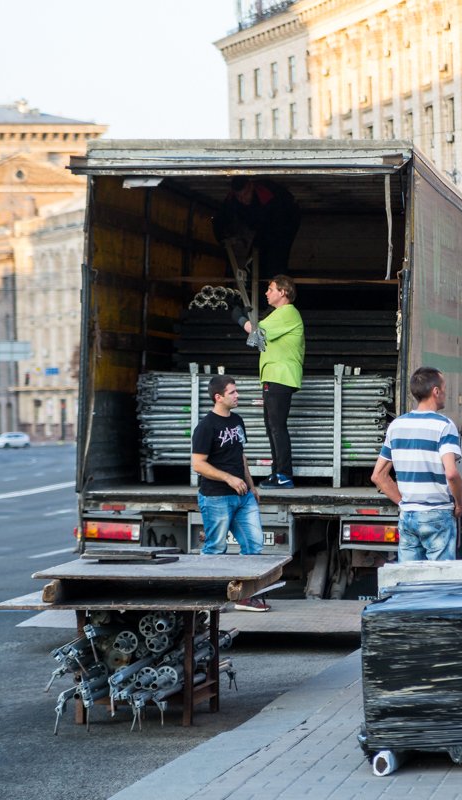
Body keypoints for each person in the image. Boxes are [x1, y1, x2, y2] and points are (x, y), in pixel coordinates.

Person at [191, 374, 269, 612]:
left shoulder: (236, 420)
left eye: (236, 391)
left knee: (254, 545)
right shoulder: (205, 427)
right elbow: (198, 464)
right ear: (218, 397)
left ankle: (245, 598)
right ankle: (206, 601)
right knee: (216, 548)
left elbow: (240, 455)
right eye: (233, 392)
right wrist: (228, 478)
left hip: (243, 496)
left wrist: (251, 485)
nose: (237, 396)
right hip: (216, 497)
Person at [371, 367, 462, 562]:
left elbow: (378, 476)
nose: (445, 394)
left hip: (408, 516)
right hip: (437, 514)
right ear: (436, 391)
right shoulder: (444, 426)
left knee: (409, 581)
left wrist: (404, 502)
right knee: (439, 581)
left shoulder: (396, 425)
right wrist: (460, 503)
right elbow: (451, 474)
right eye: (445, 389)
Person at [233, 275, 305, 489]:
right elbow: (258, 340)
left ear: (283, 292)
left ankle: (284, 474)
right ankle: (277, 473)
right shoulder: (278, 315)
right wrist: (247, 322)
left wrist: (239, 318)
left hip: (280, 375)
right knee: (272, 427)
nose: (267, 293)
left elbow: (255, 333)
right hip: (273, 376)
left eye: (271, 289)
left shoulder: (287, 312)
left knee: (277, 427)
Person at [214, 176, 301, 276]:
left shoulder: (269, 194)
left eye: (245, 194)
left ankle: (277, 283)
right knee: (255, 258)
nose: (242, 200)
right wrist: (222, 238)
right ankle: (256, 282)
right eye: (239, 196)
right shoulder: (231, 199)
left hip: (286, 220)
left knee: (276, 256)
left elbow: (278, 224)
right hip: (263, 226)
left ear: (251, 186)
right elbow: (219, 219)